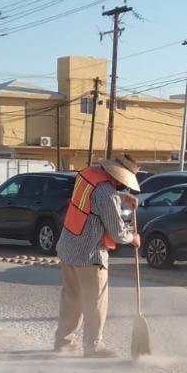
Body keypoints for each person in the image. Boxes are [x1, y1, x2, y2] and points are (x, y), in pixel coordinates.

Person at [54, 153, 141, 358]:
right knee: (95, 303)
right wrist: (133, 238)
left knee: (71, 300)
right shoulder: (108, 194)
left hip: (68, 248)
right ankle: (93, 347)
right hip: (89, 255)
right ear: (119, 177)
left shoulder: (86, 175)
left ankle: (63, 343)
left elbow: (93, 198)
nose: (123, 186)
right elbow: (118, 233)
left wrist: (122, 197)